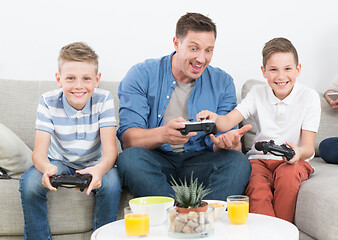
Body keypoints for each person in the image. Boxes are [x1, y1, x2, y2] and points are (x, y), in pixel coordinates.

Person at [116, 12, 252, 201]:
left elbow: (224, 141)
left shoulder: (223, 82)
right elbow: (129, 140)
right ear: (176, 43)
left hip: (200, 161)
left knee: (239, 162)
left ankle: (204, 216)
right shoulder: (141, 75)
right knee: (129, 159)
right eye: (194, 48)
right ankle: (179, 215)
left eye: (208, 50)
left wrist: (231, 144)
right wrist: (163, 134)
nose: (201, 59)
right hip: (156, 159)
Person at [197, 37, 321, 222]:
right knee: (256, 187)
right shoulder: (256, 93)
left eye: (287, 69)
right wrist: (215, 118)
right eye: (273, 70)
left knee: (288, 177)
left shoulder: (309, 97)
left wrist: (299, 151)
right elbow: (227, 122)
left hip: (293, 160)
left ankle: (282, 231)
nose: (281, 76)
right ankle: (266, 232)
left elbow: (309, 148)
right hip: (259, 160)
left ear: (298, 69)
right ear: (264, 71)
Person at [19, 42, 121, 239]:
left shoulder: (104, 99)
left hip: (95, 162)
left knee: (112, 183)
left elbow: (110, 151)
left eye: (86, 78)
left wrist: (99, 170)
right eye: (70, 78)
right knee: (30, 184)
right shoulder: (47, 101)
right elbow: (39, 152)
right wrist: (47, 168)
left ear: (97, 79)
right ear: (59, 79)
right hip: (59, 161)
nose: (79, 86)